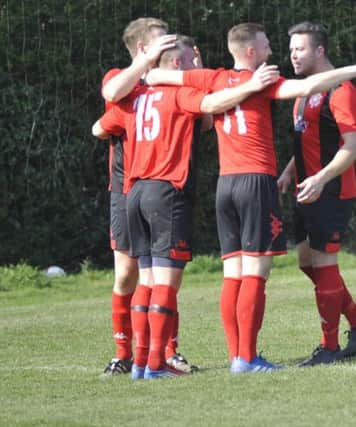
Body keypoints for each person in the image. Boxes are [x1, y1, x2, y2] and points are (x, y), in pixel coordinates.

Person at [144, 22, 356, 373]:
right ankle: (247, 357)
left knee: (234, 275)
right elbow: (307, 85)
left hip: (226, 185)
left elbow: (155, 79)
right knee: (256, 274)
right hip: (256, 183)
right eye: (268, 45)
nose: (276, 52)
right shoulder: (264, 81)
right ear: (252, 52)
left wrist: (152, 62)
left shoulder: (212, 78)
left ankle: (237, 355)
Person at [93, 35, 280, 379]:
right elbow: (212, 106)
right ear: (177, 64)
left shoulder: (133, 98)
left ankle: (138, 363)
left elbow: (99, 127)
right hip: (166, 192)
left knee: (145, 281)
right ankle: (155, 365)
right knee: (166, 282)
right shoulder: (181, 95)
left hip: (132, 192)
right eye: (188, 61)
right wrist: (252, 85)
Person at [98, 17, 200, 376]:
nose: (170, 43)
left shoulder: (165, 85)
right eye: (162, 39)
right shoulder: (120, 79)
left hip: (152, 186)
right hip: (127, 189)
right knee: (129, 275)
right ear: (143, 49)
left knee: (162, 274)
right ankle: (124, 352)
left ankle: (166, 352)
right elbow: (105, 111)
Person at [277, 22, 356, 366]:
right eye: (291, 49)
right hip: (309, 188)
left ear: (320, 51)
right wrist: (291, 170)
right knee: (308, 263)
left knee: (323, 262)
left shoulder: (341, 90)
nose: (293, 54)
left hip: (332, 190)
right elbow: (310, 136)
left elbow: (352, 147)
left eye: (300, 49)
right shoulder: (307, 89)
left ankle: (330, 346)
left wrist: (320, 178)